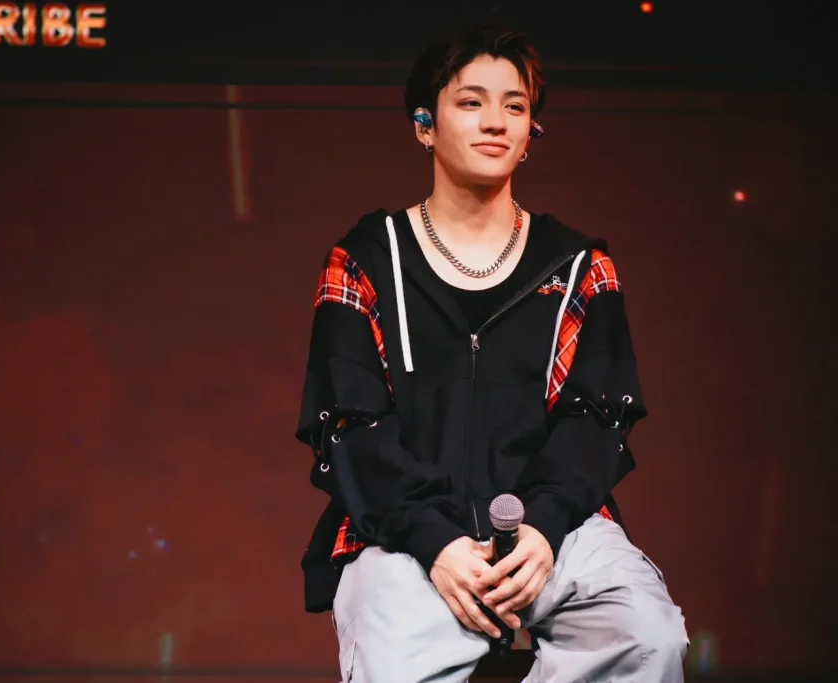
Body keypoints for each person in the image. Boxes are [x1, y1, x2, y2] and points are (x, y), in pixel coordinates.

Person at [295, 23, 689, 683]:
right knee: (395, 658)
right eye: (471, 102)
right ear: (424, 125)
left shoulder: (580, 266)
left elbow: (596, 419)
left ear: (531, 132)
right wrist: (435, 541)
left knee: (649, 636)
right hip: (405, 536)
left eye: (515, 106)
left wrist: (543, 527)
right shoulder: (366, 259)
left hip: (556, 533)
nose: (495, 122)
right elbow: (350, 425)